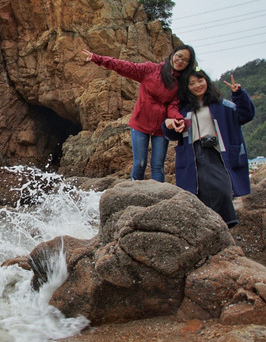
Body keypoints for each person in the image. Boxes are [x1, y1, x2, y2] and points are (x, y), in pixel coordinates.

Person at [81, 45, 196, 182]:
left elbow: (173, 106)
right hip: (140, 123)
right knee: (139, 164)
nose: (180, 61)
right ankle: (133, 195)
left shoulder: (181, 84)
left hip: (160, 128)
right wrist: (98, 59)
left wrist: (178, 119)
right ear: (172, 54)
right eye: (179, 56)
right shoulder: (151, 69)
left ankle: (157, 198)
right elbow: (124, 66)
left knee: (158, 166)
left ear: (188, 64)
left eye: (186, 60)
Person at [163, 70, 255, 228]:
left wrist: (238, 94)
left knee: (223, 189)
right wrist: (168, 124)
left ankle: (226, 225)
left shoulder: (221, 105)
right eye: (191, 83)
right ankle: (207, 228)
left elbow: (245, 115)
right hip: (193, 154)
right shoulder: (183, 110)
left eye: (200, 81)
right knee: (197, 192)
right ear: (186, 87)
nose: (197, 85)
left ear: (207, 81)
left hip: (217, 152)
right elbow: (172, 135)